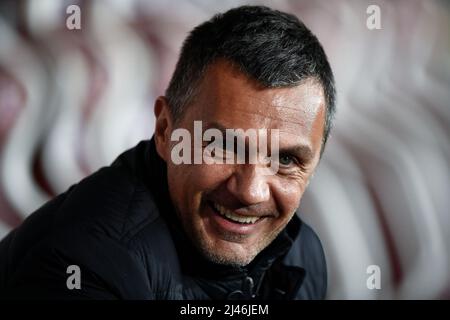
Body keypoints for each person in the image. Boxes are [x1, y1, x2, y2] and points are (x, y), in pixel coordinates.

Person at [0, 5, 335, 299]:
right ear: (165, 131)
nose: (250, 191)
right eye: (223, 146)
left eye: (286, 159)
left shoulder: (300, 254)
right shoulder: (81, 268)